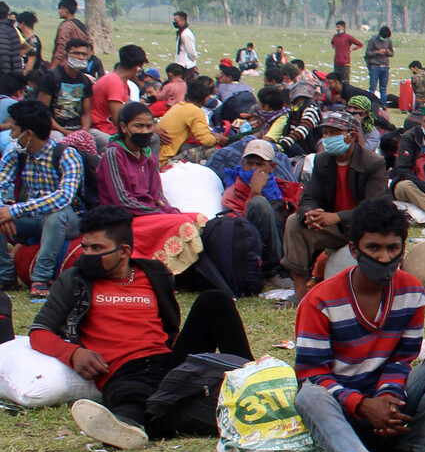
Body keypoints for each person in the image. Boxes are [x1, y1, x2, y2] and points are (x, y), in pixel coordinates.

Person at [292, 199, 425, 452]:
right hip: (341, 412)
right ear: (354, 250)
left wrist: (388, 397)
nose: (384, 258)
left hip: (387, 410)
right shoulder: (319, 301)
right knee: (308, 396)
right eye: (373, 247)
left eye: (392, 248)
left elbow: (402, 358)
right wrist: (361, 404)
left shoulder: (412, 290)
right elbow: (312, 374)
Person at [33, 205, 253, 449]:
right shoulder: (74, 280)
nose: (87, 254)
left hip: (169, 361)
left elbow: (169, 322)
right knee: (132, 400)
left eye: (97, 248)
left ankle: (253, 382)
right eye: (85, 247)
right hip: (122, 370)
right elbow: (40, 331)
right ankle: (129, 426)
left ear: (124, 251)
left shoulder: (155, 274)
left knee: (215, 300)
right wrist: (73, 353)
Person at [284, 109, 390, 300]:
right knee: (294, 222)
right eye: (325, 133)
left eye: (334, 133)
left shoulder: (373, 163)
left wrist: (337, 217)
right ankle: (299, 292)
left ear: (351, 136)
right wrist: (310, 213)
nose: (327, 138)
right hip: (334, 228)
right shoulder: (323, 160)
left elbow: (373, 208)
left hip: (364, 229)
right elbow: (309, 196)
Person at [0, 100, 86, 297]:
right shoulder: (16, 152)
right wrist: (2, 211)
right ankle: (5, 275)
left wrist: (13, 211)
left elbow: (63, 197)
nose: (12, 135)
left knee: (55, 214)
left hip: (69, 220)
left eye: (14, 130)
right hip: (33, 218)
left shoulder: (67, 156)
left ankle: (41, 278)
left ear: (27, 134)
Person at [221, 139, 291, 282]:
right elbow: (240, 229)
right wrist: (255, 192)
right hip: (255, 249)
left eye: (260, 164)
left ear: (272, 167)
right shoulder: (232, 193)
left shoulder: (282, 187)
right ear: (242, 165)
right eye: (250, 164)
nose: (254, 169)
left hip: (283, 242)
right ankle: (273, 270)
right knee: (259, 203)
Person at [155, 78, 226, 164]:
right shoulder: (195, 111)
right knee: (213, 150)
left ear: (186, 96)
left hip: (157, 155)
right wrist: (218, 139)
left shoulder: (178, 106)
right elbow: (207, 141)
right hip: (165, 160)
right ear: (204, 101)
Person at [37, 38, 94, 135]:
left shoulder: (85, 81)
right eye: (75, 53)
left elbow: (86, 113)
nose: (80, 57)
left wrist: (85, 129)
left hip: (77, 127)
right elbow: (42, 111)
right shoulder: (51, 78)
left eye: (84, 54)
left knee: (104, 139)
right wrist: (64, 132)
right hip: (54, 129)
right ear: (66, 55)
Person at [90, 45, 144, 139]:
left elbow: (128, 108)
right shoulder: (114, 83)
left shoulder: (120, 81)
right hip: (102, 129)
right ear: (137, 68)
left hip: (107, 127)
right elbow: (118, 119)